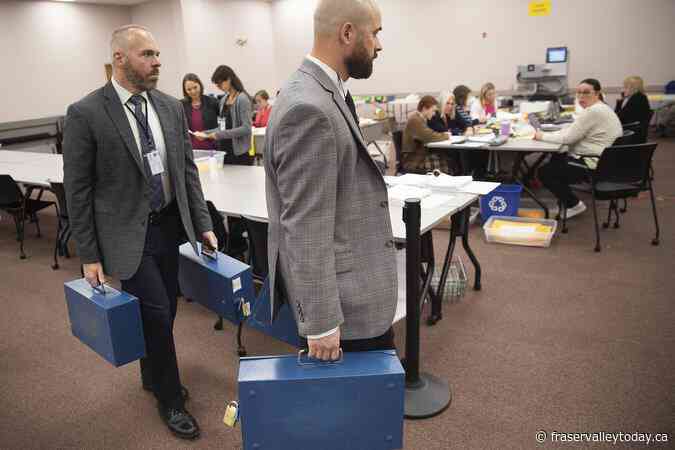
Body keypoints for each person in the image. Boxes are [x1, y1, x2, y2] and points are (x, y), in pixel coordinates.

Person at [63, 25, 217, 440]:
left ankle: (152, 375)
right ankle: (170, 398)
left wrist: (202, 224)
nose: (157, 62)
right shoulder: (87, 113)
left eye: (158, 54)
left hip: (169, 225)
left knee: (165, 307)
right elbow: (78, 191)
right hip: (128, 236)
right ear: (120, 58)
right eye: (147, 54)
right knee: (156, 312)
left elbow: (186, 172)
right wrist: (89, 254)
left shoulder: (169, 106)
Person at [264, 0, 396, 361]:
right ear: (348, 33)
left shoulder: (324, 92)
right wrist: (321, 323)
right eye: (376, 34)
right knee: (354, 412)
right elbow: (304, 226)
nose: (379, 46)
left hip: (353, 292)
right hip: (343, 308)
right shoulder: (309, 108)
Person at [535, 78, 622, 218]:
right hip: (605, 161)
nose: (581, 96)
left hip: (593, 164)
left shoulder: (593, 112)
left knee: (544, 172)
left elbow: (568, 138)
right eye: (579, 93)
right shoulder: (601, 108)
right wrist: (547, 134)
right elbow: (571, 132)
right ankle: (563, 197)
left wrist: (540, 136)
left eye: (586, 92)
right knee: (557, 156)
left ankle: (573, 204)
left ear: (597, 93)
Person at [194, 65, 253, 165]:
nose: (218, 87)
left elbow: (246, 128)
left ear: (229, 79)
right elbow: (222, 128)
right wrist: (205, 134)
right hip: (224, 152)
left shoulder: (242, 99)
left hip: (239, 155)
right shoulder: (223, 100)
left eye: (220, 83)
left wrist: (218, 135)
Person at [400, 95, 452, 173]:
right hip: (413, 160)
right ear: (424, 108)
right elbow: (429, 136)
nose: (434, 114)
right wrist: (446, 135)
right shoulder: (415, 119)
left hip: (418, 155)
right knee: (444, 162)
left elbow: (429, 134)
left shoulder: (420, 118)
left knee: (445, 158)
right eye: (433, 110)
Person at [454, 84, 488, 178]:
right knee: (479, 152)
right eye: (468, 97)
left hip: (468, 136)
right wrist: (475, 124)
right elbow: (465, 124)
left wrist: (473, 126)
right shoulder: (457, 109)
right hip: (462, 140)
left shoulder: (462, 109)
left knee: (483, 151)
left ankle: (480, 176)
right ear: (462, 97)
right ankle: (476, 176)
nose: (470, 99)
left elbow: (468, 123)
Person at [180, 73, 218, 150]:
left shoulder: (212, 102)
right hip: (191, 150)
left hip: (212, 149)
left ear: (200, 85)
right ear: (185, 91)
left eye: (195, 87)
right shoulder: (181, 105)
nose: (193, 91)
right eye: (189, 89)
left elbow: (221, 127)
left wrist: (207, 134)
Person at [615, 75, 651, 141]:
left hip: (631, 132)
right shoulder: (632, 97)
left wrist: (619, 103)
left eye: (625, 87)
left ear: (634, 88)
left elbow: (620, 116)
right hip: (629, 128)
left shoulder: (638, 99)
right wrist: (620, 102)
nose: (622, 89)